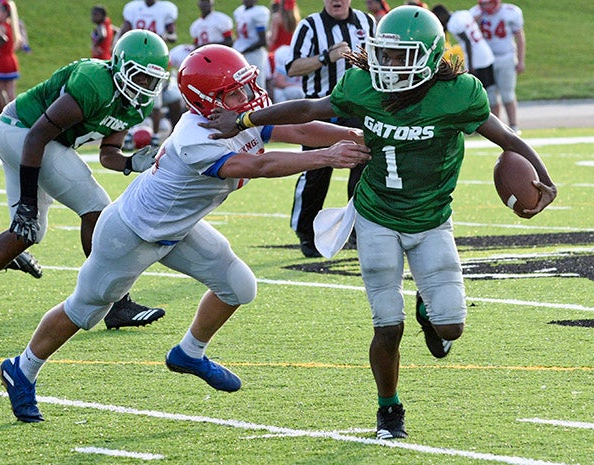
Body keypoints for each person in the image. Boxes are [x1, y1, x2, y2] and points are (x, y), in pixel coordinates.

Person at [201, 5, 557, 439]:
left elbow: (508, 139)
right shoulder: (362, 83)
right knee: (387, 325)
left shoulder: (458, 93)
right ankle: (389, 410)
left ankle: (429, 309)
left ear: (429, 57)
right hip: (375, 216)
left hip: (430, 219)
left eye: (401, 55)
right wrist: (244, 118)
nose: (389, 65)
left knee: (451, 328)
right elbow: (310, 107)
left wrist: (546, 181)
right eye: (385, 54)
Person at [0, 44, 370, 423]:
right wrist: (325, 157)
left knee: (239, 286)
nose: (248, 97)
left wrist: (359, 137)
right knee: (84, 310)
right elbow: (261, 164)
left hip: (178, 228)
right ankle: (21, 369)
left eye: (246, 87)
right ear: (208, 101)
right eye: (235, 92)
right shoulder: (196, 138)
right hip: (131, 233)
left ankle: (189, 353)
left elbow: (301, 127)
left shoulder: (237, 113)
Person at [0, 30, 171, 330]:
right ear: (119, 65)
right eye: (138, 76)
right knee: (97, 209)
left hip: (26, 136)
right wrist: (26, 201)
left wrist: (130, 162)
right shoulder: (93, 81)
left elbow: (108, 153)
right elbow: (38, 135)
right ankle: (117, 304)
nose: (144, 86)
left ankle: (8, 250)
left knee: (28, 232)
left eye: (151, 80)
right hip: (23, 132)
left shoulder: (134, 105)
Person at [283, 0, 375, 258]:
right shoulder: (310, 26)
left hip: (356, 108)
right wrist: (326, 57)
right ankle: (306, 233)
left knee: (364, 167)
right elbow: (292, 68)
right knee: (316, 171)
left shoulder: (367, 23)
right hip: (319, 108)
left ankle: (359, 228)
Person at [118, 0, 181, 147]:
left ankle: (155, 135)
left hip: (156, 58)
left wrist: (163, 38)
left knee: (155, 97)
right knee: (128, 96)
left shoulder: (166, 9)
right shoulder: (133, 8)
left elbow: (173, 35)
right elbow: (124, 32)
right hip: (135, 59)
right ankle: (127, 132)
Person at [470, 0, 525, 133]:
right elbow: (469, 33)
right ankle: (497, 130)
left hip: (506, 57)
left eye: (487, 3)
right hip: (486, 60)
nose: (485, 7)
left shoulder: (511, 12)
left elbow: (520, 37)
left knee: (507, 95)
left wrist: (521, 60)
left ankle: (514, 126)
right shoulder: (475, 13)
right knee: (491, 96)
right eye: (482, 4)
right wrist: (474, 22)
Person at [431, 4, 495, 92]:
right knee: (490, 90)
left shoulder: (452, 24)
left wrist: (471, 66)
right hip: (486, 53)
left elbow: (467, 42)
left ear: (441, 15)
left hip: (477, 60)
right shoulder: (463, 13)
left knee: (477, 92)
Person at [233, 0, 270, 89]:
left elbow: (262, 41)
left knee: (255, 87)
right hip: (241, 51)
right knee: (240, 86)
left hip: (254, 54)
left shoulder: (260, 12)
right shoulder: (239, 11)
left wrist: (244, 50)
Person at [0, 0, 21, 115]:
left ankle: (3, 116)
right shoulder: (11, 26)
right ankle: (15, 115)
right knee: (11, 94)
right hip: (11, 62)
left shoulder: (0, 27)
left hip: (0, 63)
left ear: (5, 14)